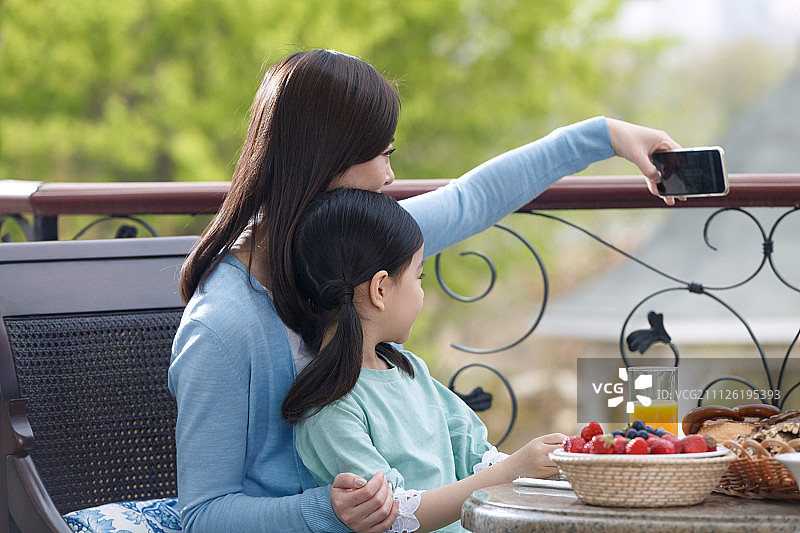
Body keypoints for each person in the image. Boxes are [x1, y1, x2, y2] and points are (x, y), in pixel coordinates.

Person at [169, 48, 680, 533]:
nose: (391, 177)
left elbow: (472, 198)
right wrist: (326, 511)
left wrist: (607, 136)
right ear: (326, 160)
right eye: (383, 155)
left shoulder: (359, 247)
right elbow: (202, 515)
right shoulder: (222, 325)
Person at [285, 187, 565, 533]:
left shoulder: (409, 369)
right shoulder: (330, 406)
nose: (421, 291)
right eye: (419, 277)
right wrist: (512, 470)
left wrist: (551, 464)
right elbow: (395, 515)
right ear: (380, 289)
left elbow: (474, 454)